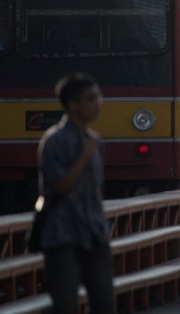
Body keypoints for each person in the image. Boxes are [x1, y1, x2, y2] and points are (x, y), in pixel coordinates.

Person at [38, 73, 114, 314]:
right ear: (73, 105)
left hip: (94, 232)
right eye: (91, 98)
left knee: (104, 300)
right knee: (65, 304)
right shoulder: (55, 141)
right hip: (63, 234)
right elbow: (58, 185)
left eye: (98, 97)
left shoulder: (94, 141)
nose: (98, 103)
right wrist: (84, 156)